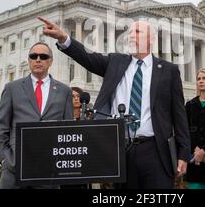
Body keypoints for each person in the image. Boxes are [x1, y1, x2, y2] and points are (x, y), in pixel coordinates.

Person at [38, 16, 190, 189]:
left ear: (151, 39)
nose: (131, 35)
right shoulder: (115, 62)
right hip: (121, 149)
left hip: (155, 150)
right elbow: (88, 57)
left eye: (137, 31)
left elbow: (179, 115)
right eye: (129, 32)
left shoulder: (168, 70)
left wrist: (183, 153)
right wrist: (63, 38)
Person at [0, 42, 73, 189]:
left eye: (43, 56)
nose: (38, 59)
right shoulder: (12, 88)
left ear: (50, 61)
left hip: (49, 169)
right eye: (33, 56)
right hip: (14, 168)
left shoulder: (64, 91)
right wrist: (4, 159)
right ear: (29, 60)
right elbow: (0, 126)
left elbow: (67, 130)